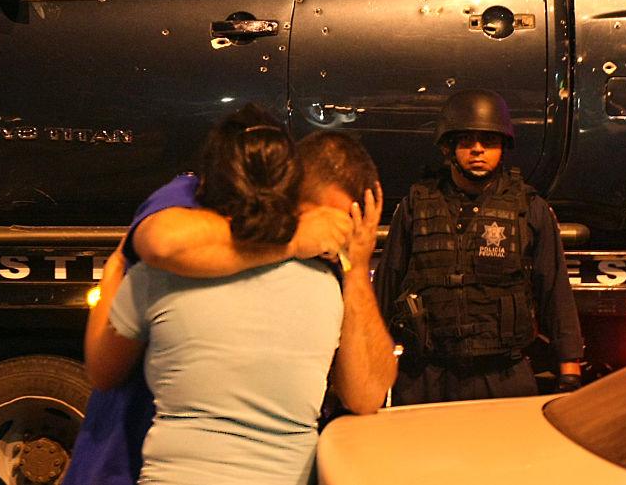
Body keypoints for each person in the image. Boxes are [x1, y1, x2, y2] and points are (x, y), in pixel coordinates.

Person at [72, 106, 395, 484]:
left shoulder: (330, 284)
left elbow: (367, 394)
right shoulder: (183, 206)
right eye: (321, 222)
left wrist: (356, 266)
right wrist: (293, 240)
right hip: (129, 452)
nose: (329, 241)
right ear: (287, 194)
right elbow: (161, 241)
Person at [374, 88, 582, 405]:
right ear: (449, 146)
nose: (478, 150)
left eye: (489, 141)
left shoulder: (529, 208)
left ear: (503, 148)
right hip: (426, 376)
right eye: (467, 141)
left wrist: (569, 371)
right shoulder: (415, 206)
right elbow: (386, 290)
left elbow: (554, 292)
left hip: (502, 375)